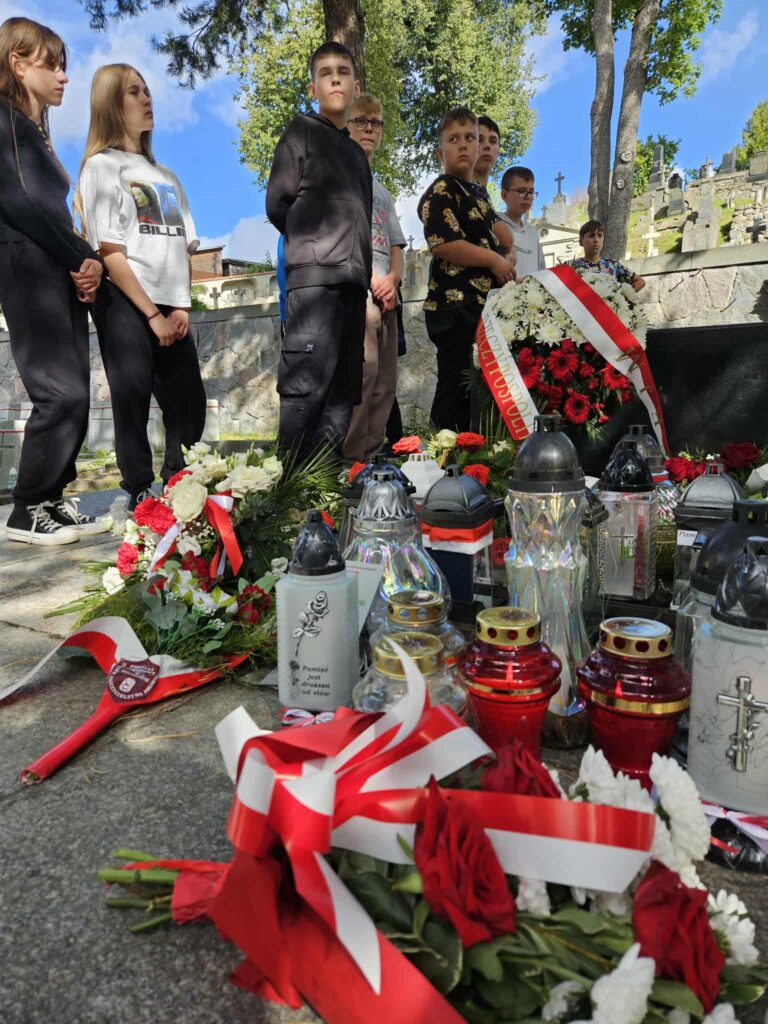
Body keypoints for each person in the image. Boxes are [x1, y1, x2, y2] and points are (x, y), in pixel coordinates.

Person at [0, 17, 112, 545]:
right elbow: (20, 203)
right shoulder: (3, 121)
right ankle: (26, 511)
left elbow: (55, 213)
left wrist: (86, 260)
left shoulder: (35, 134)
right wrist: (80, 256)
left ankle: (51, 500)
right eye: (52, 65)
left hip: (55, 267)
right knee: (58, 392)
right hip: (25, 266)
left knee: (77, 394)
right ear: (17, 63)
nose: (64, 76)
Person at [77, 63, 207, 510]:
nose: (146, 99)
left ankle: (179, 483)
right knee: (131, 394)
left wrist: (181, 307)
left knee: (189, 401)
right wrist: (151, 314)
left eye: (147, 90)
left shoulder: (166, 175)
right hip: (125, 300)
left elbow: (184, 247)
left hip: (172, 305)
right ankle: (138, 490)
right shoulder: (101, 167)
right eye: (134, 92)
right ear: (111, 103)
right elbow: (110, 251)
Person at [266, 41, 373, 463]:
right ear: (313, 87)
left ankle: (323, 484)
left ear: (355, 86)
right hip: (314, 284)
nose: (335, 79)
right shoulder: (301, 132)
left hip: (353, 284)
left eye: (343, 72)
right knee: (305, 389)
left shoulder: (357, 155)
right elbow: (278, 204)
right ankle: (289, 485)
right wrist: (315, 244)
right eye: (325, 73)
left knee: (342, 394)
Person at [418, 106, 515, 431]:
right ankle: (443, 447)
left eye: (470, 138)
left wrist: (505, 255)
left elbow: (506, 237)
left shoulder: (477, 194)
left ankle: (475, 446)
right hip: (453, 306)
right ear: (440, 152)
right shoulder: (441, 190)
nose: (463, 145)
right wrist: (493, 259)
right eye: (453, 139)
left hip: (480, 305)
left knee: (479, 384)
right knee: (455, 382)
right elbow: (443, 243)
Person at [342, 92, 406, 463]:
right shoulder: (341, 179)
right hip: (361, 291)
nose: (369, 129)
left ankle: (372, 456)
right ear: (346, 127)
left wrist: (393, 279)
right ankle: (351, 461)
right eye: (361, 121)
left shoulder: (383, 191)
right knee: (363, 377)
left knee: (385, 382)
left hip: (387, 295)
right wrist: (371, 279)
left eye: (376, 123)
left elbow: (396, 244)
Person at [471, 115, 513, 249]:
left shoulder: (485, 199)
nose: (487, 146)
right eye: (480, 140)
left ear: (498, 151)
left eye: (493, 141)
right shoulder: (454, 189)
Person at [498, 165, 546, 278]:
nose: (528, 196)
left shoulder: (532, 232)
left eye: (531, 192)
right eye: (521, 191)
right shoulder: (495, 223)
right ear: (504, 195)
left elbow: (542, 271)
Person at [571, 219, 646, 292]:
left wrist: (622, 296)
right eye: (591, 236)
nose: (596, 240)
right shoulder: (571, 266)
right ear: (581, 242)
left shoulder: (613, 264)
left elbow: (640, 281)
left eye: (600, 235)